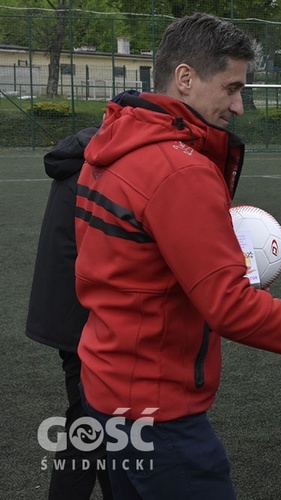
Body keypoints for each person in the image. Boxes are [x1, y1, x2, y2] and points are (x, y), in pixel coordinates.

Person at [73, 13, 281, 499]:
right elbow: (230, 307)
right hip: (158, 409)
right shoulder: (179, 171)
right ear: (185, 78)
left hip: (105, 387)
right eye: (231, 87)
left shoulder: (109, 146)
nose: (239, 105)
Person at [26, 128, 113, 500]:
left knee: (108, 428)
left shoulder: (82, 156)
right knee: (89, 427)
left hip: (68, 313)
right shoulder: (100, 167)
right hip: (84, 319)